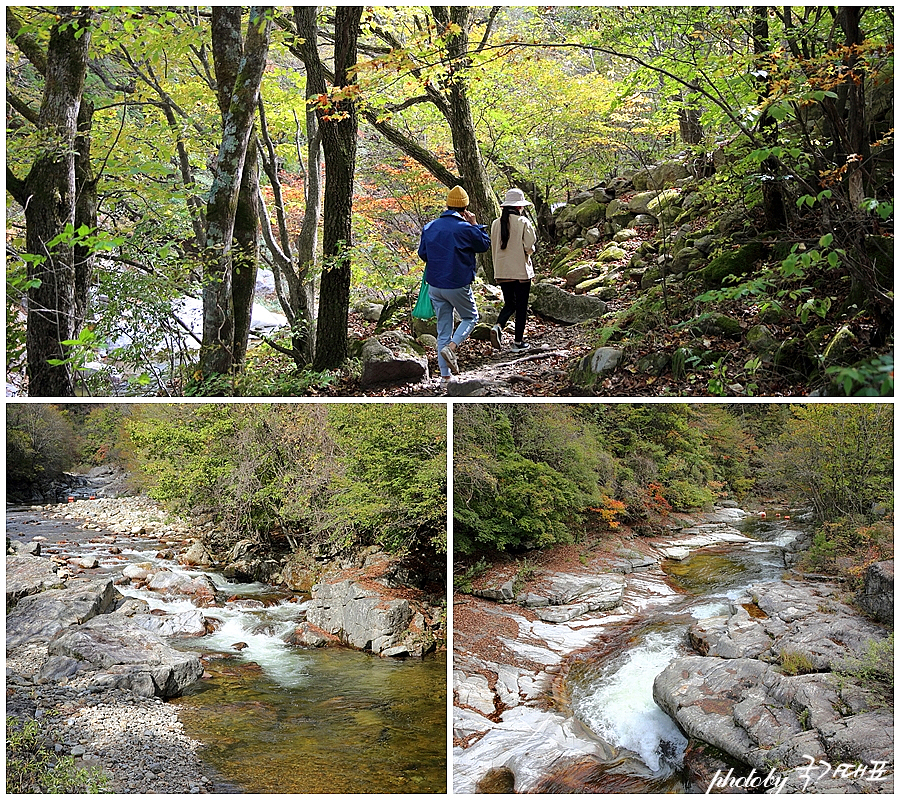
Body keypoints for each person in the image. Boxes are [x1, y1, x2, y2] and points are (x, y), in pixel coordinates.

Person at [418, 185, 490, 387]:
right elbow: (484, 245)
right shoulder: (466, 228)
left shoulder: (430, 227)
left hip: (435, 284)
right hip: (457, 283)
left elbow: (423, 254)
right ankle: (452, 346)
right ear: (465, 208)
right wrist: (475, 224)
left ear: (447, 205)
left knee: (443, 329)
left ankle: (445, 378)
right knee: (471, 317)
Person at [490, 188, 536, 352]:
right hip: (521, 271)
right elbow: (529, 247)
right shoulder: (523, 222)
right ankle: (518, 342)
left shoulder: (495, 224)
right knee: (521, 306)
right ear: (519, 207)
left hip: (502, 271)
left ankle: (498, 325)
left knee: (510, 303)